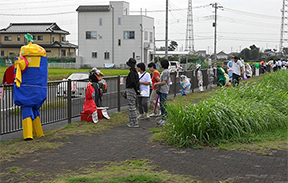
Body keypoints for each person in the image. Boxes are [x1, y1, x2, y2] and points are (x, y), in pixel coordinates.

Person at [154, 59, 170, 125]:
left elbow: (164, 82)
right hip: (161, 90)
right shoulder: (164, 71)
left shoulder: (166, 72)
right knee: (161, 104)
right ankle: (163, 118)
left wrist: (157, 84)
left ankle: (165, 118)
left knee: (163, 105)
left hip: (164, 90)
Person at [125, 58, 140, 128]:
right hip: (134, 91)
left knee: (131, 107)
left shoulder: (131, 73)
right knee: (132, 106)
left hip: (131, 90)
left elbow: (132, 83)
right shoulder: (135, 72)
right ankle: (133, 121)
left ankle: (134, 122)